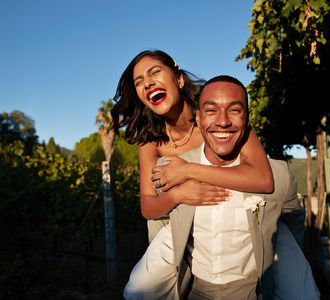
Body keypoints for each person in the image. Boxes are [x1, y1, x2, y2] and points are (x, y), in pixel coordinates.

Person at [124, 76, 320, 299]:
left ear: (247, 118)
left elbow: (292, 224)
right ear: (197, 118)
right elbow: (159, 224)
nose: (223, 121)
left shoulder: (278, 176)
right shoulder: (170, 170)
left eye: (234, 110)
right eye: (211, 111)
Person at [111, 50, 274, 243]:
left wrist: (187, 171)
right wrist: (177, 195)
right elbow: (147, 207)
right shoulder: (149, 141)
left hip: (232, 225)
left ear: (179, 79)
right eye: (139, 82)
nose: (147, 83)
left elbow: (263, 179)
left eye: (155, 72)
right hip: (176, 235)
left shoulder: (219, 118)